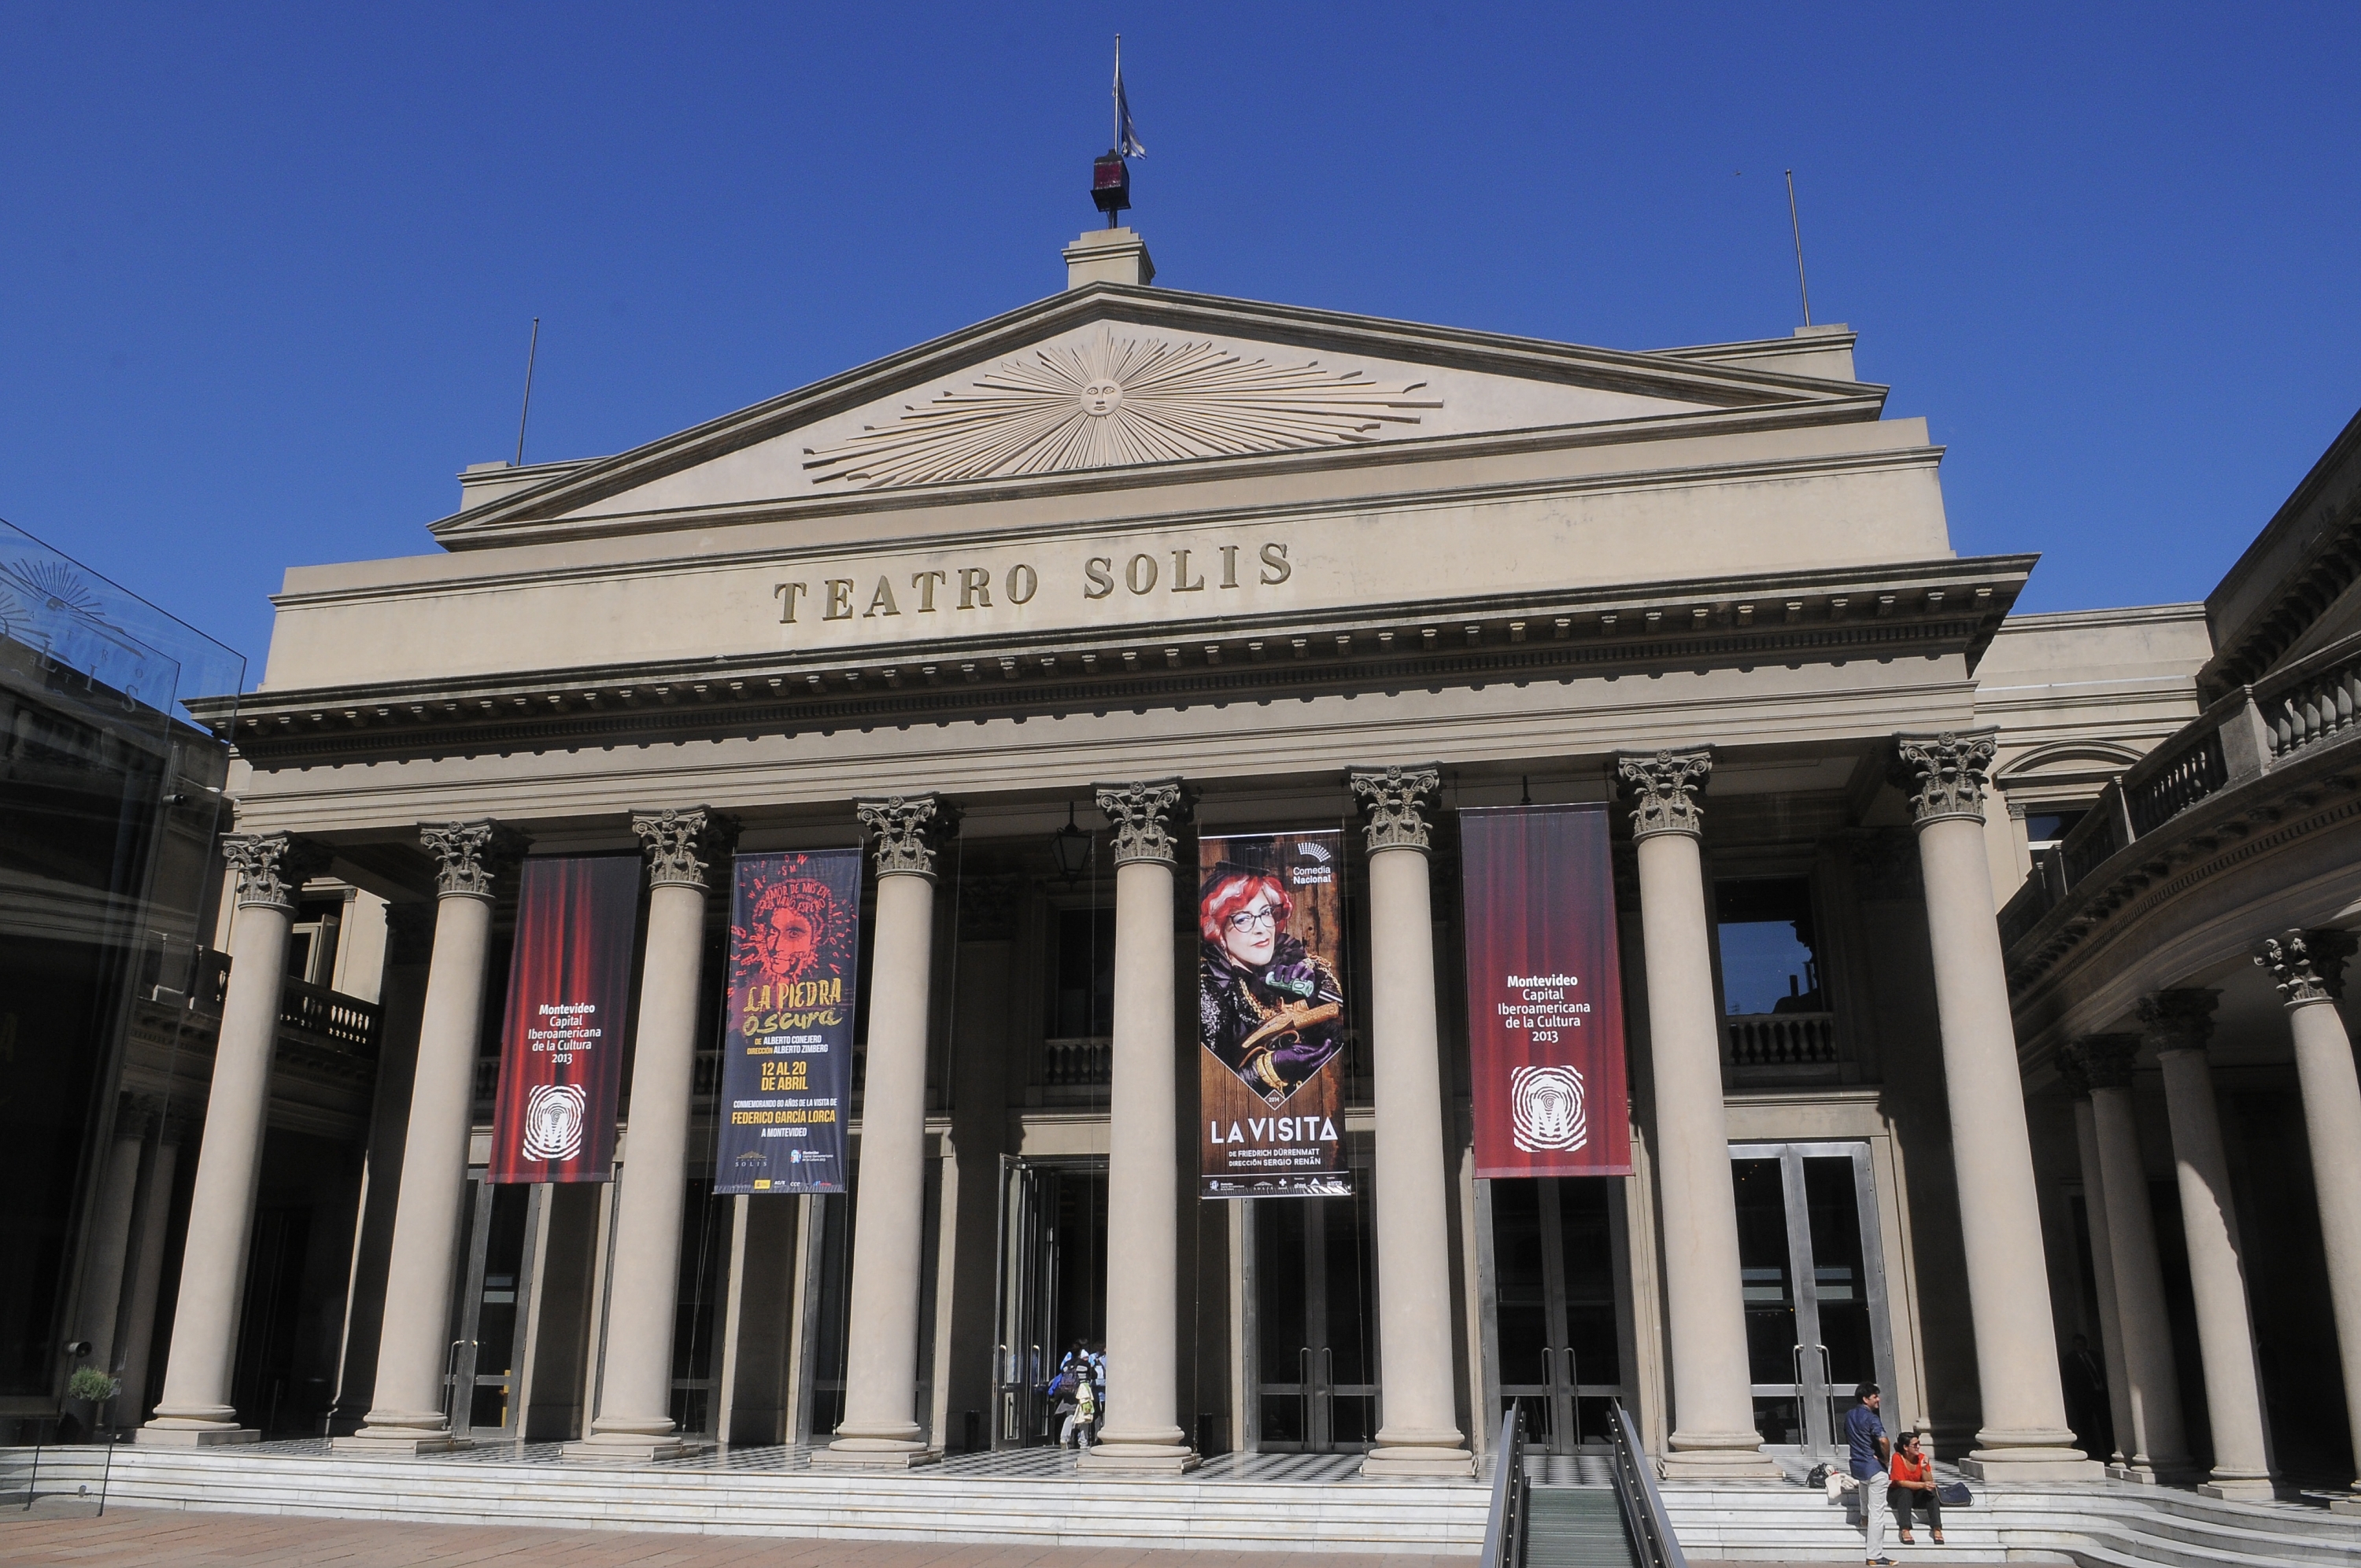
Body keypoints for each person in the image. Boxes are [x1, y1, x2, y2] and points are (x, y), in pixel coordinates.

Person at [1197, 863, 1347, 1106]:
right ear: (1217, 928)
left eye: (1266, 912)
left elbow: (1334, 1037)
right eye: (1243, 919)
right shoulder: (1211, 991)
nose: (1262, 929)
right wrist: (1269, 1069)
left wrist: (1312, 999)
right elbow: (1215, 1086)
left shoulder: (1294, 965)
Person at [1845, 1382, 1894, 1566]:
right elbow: (1883, 1440)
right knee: (1878, 1514)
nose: (1878, 1399)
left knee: (1864, 1489)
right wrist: (1886, 1459)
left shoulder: (1849, 1415)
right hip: (1874, 1468)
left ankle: (1863, 1518)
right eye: (1875, 1396)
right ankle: (1874, 1554)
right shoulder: (1872, 1418)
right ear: (1866, 1399)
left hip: (1858, 1466)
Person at [1888, 1430, 1944, 1547]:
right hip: (1898, 1494)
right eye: (1915, 1445)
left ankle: (1937, 1528)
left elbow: (1929, 1481)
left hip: (1916, 1494)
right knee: (1905, 1492)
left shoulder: (1922, 1458)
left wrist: (1924, 1469)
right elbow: (1901, 1482)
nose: (1918, 1447)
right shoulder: (1897, 1457)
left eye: (1919, 1443)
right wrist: (1922, 1485)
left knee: (1931, 1491)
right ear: (1905, 1447)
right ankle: (1905, 1529)